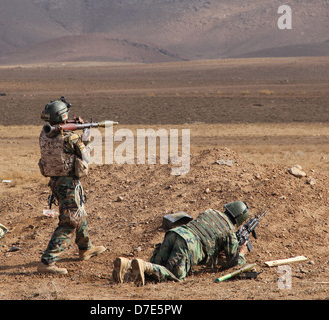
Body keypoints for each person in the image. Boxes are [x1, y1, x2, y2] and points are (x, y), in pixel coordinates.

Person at [37, 97, 106, 274]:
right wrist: (86, 137)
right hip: (68, 183)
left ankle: (85, 248)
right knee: (69, 222)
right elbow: (86, 157)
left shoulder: (44, 135)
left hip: (56, 182)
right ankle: (47, 262)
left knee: (79, 213)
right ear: (63, 116)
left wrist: (73, 125)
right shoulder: (70, 138)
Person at [113, 201, 250, 286]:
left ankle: (128, 265)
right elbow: (234, 263)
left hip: (175, 233)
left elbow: (208, 232)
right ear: (239, 219)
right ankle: (144, 265)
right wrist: (242, 252)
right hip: (188, 244)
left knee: (156, 269)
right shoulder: (229, 231)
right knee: (174, 276)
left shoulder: (211, 212)